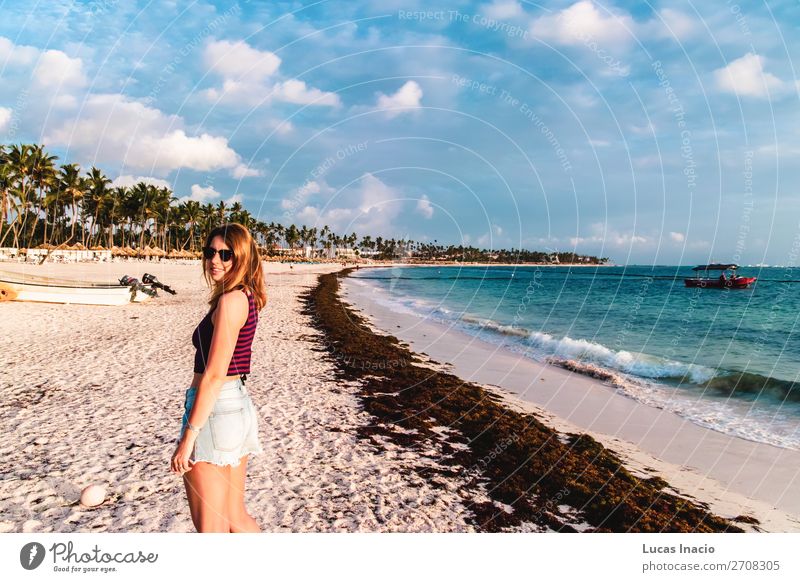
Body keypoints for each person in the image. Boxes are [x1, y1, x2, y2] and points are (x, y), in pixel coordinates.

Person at [170, 223, 267, 532]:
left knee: (212, 530)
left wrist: (189, 437)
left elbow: (213, 375)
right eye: (210, 252)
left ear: (241, 258)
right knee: (234, 518)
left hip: (214, 412)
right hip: (235, 406)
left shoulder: (229, 302)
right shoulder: (246, 296)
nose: (215, 260)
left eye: (226, 254)